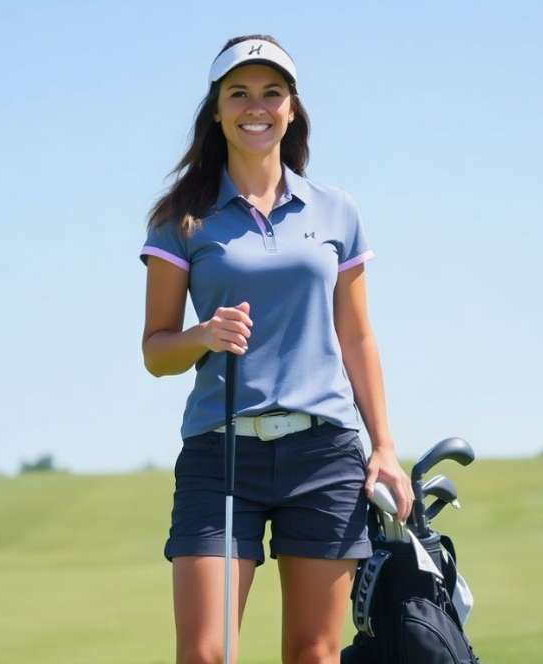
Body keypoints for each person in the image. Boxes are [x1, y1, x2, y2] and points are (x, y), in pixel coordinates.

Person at [139, 34, 413, 664]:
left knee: (313, 654)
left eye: (271, 92)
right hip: (221, 452)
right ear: (216, 110)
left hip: (323, 454)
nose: (254, 106)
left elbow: (357, 335)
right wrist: (202, 337)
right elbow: (156, 351)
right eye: (239, 93)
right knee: (206, 654)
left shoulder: (336, 211)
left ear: (292, 109)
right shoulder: (183, 218)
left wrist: (386, 448)